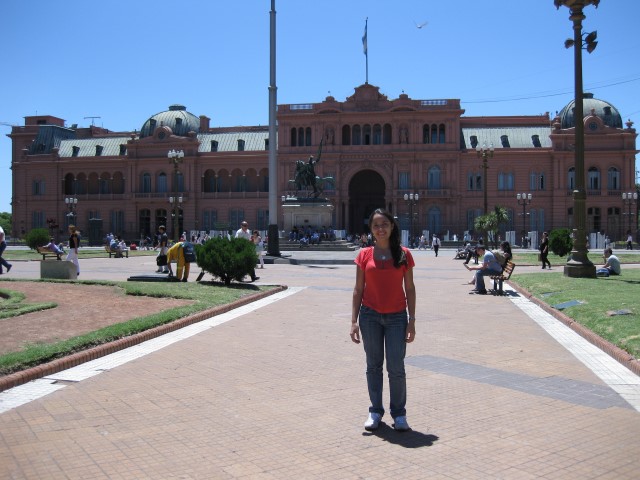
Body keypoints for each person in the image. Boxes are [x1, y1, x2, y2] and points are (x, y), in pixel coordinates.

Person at [350, 209, 416, 432]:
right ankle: (375, 411)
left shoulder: (404, 254)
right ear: (370, 229)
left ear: (392, 226)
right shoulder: (364, 255)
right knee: (373, 366)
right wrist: (353, 321)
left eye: (385, 224)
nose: (381, 229)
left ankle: (399, 414)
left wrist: (412, 320)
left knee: (396, 367)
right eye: (376, 225)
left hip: (397, 317)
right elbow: (358, 289)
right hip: (369, 316)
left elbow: (410, 288)